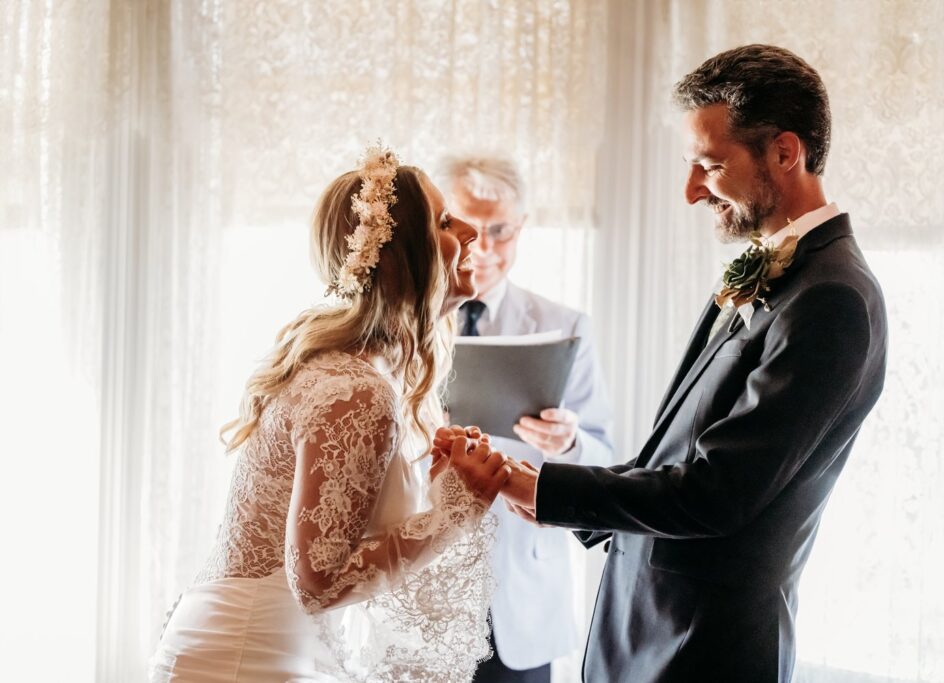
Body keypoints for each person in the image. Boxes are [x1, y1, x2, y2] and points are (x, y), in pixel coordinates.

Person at [445, 44, 889, 682]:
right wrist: (544, 490)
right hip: (652, 629)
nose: (690, 191)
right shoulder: (780, 276)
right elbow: (668, 462)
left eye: (709, 166)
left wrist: (537, 487)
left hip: (703, 648)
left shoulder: (832, 299)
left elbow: (717, 493)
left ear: (785, 153)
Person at [151, 146, 513, 683]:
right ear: (400, 256)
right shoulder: (356, 390)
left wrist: (439, 485)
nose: (467, 230)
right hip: (248, 657)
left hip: (280, 649)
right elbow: (318, 584)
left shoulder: (369, 376)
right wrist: (455, 509)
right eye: (442, 220)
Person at [436, 155, 614, 683]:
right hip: (419, 586)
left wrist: (568, 443)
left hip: (520, 594)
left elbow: (608, 459)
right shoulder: (403, 323)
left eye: (500, 231)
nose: (484, 249)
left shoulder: (564, 327)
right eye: (469, 229)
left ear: (522, 228)